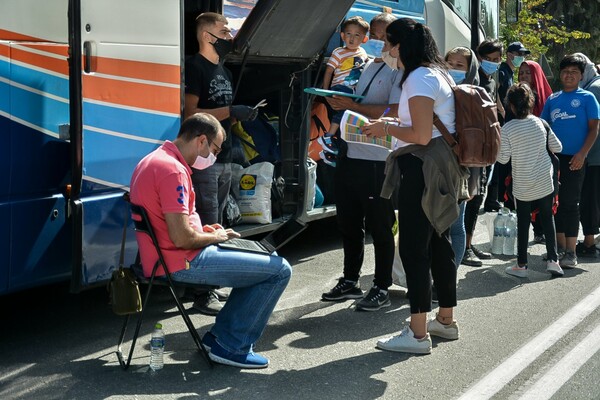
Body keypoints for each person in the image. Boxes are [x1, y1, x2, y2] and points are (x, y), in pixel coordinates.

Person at [129, 113, 291, 369]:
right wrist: (214, 236)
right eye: (214, 149)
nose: (214, 157)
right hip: (180, 260)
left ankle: (220, 337)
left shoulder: (155, 159)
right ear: (201, 140)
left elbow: (167, 222)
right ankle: (230, 345)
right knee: (279, 269)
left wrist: (202, 229)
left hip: (164, 257)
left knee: (260, 262)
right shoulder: (173, 170)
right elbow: (182, 237)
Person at [363, 18, 468, 354]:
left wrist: (386, 128)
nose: (384, 50)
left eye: (386, 43)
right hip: (441, 168)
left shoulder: (419, 78)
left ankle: (418, 333)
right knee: (439, 243)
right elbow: (427, 127)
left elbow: (420, 136)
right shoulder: (438, 73)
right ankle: (445, 322)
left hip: (423, 168)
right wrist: (394, 124)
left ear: (400, 46)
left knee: (412, 248)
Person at [320, 12, 401, 311]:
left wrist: (352, 105)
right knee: (348, 221)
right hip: (351, 152)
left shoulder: (399, 71)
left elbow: (394, 109)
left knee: (380, 225)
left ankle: (381, 285)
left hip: (378, 159)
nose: (380, 41)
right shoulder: (368, 64)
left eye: (383, 36)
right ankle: (350, 279)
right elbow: (357, 99)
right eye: (377, 35)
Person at [184, 12, 258, 314]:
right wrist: (231, 111)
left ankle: (207, 283)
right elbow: (191, 114)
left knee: (219, 222)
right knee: (207, 220)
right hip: (203, 157)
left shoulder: (224, 72)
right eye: (224, 31)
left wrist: (238, 114)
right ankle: (204, 292)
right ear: (207, 36)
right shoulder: (194, 66)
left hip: (224, 155)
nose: (230, 37)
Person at [498, 82, 563, 278]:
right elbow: (557, 147)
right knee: (547, 217)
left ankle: (522, 265)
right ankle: (553, 261)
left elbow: (503, 159)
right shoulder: (540, 123)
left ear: (510, 106)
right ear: (531, 103)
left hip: (523, 183)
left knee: (524, 221)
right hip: (544, 180)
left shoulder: (507, 128)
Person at [541, 54, 600, 268]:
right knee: (552, 204)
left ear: (581, 75)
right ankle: (557, 249)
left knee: (570, 204)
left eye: (574, 72)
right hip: (554, 159)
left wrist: (582, 154)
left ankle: (571, 252)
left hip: (576, 159)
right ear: (560, 74)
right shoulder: (553, 99)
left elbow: (594, 129)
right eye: (565, 71)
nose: (569, 75)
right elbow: (543, 127)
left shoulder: (587, 98)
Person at [461, 39, 504, 266]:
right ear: (479, 57)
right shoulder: (472, 78)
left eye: (497, 60)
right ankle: (462, 247)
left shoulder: (491, 81)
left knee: (478, 197)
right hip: (471, 146)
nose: (494, 64)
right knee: (469, 196)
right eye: (490, 59)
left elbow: (496, 109)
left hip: (486, 146)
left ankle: (468, 244)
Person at [444, 46, 480, 268]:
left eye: (459, 66)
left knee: (455, 227)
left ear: (469, 70)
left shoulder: (474, 96)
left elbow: (478, 142)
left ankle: (448, 277)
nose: (453, 69)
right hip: (435, 166)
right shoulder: (438, 89)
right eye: (450, 63)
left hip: (461, 169)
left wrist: (474, 181)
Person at [318, 16, 370, 166]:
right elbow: (329, 71)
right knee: (344, 111)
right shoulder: (338, 52)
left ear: (364, 39)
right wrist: (326, 91)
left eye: (357, 35)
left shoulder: (363, 53)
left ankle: (329, 151)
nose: (352, 38)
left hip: (353, 90)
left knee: (348, 116)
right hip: (340, 87)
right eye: (348, 34)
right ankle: (328, 136)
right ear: (342, 35)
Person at [515, 60, 554, 243]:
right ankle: (531, 230)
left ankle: (542, 230)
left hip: (540, 154)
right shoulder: (515, 96)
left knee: (542, 195)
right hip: (520, 154)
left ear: (536, 74)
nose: (523, 76)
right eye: (521, 73)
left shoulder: (547, 98)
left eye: (527, 73)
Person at [574, 53, 600, 257]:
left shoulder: (593, 90)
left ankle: (589, 243)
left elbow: (589, 125)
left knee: (589, 199)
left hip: (593, 155)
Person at [498, 41, 531, 107]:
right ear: (509, 55)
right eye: (520, 53)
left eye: (524, 55)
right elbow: (495, 93)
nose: (522, 57)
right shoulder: (502, 72)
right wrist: (501, 110)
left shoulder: (510, 73)